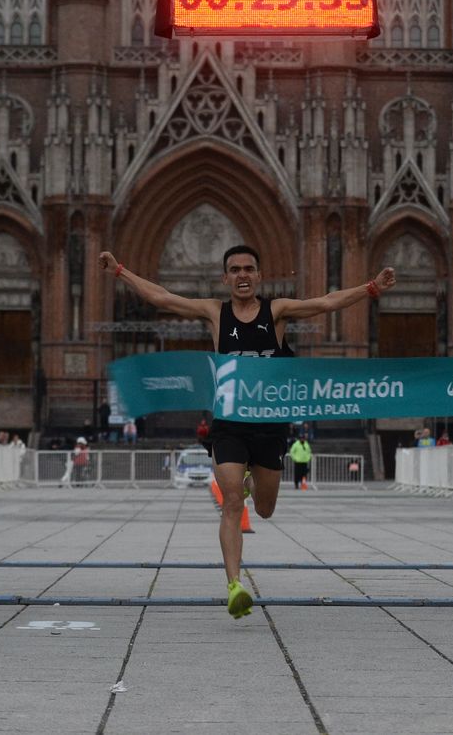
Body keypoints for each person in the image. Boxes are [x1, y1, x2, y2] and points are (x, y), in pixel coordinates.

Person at [99, 244, 396, 619]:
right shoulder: (214, 313)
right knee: (232, 502)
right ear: (225, 278)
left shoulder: (278, 311)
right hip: (229, 425)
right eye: (235, 269)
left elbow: (325, 303)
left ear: (259, 276)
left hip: (270, 427)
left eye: (249, 269)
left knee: (266, 508)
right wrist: (120, 270)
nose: (242, 275)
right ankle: (235, 585)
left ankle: (256, 478)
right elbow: (163, 297)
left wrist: (370, 288)